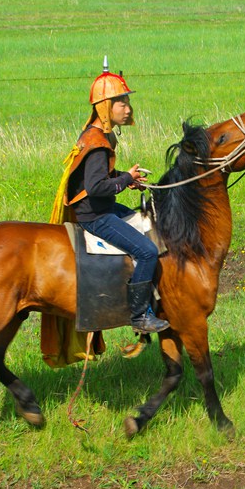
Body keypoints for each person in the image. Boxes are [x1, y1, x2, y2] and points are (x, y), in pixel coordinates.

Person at [63, 59, 169, 334]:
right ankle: (139, 316)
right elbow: (96, 186)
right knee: (146, 251)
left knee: (147, 225)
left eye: (127, 102)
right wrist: (125, 179)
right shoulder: (98, 142)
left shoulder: (97, 134)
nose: (128, 108)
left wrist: (125, 178)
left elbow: (99, 176)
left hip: (103, 206)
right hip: (96, 215)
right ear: (105, 107)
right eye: (121, 103)